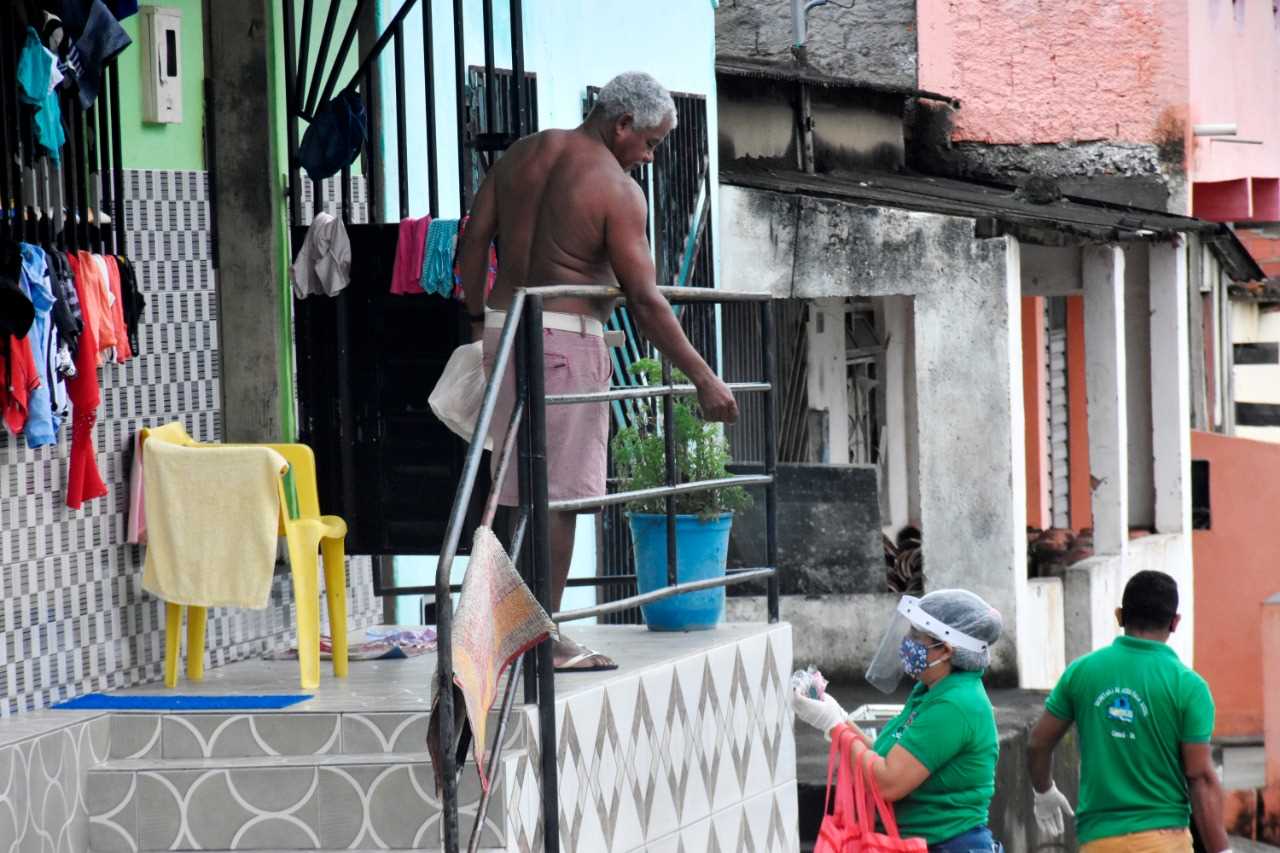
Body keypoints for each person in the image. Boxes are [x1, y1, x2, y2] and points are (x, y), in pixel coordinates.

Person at [457, 71, 738, 672]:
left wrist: (478, 320)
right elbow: (645, 298)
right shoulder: (615, 188)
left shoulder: (521, 155)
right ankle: (542, 642)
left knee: (514, 492)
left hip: (504, 329)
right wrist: (703, 378)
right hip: (564, 342)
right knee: (557, 499)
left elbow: (473, 241)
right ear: (622, 124)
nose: (650, 157)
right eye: (652, 143)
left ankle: (507, 632)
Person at [1027, 570, 1231, 853]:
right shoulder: (1189, 686)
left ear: (1120, 616)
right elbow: (1199, 776)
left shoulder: (1082, 672)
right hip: (1165, 840)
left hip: (1099, 841)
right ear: (1175, 622)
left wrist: (1044, 790)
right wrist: (1221, 850)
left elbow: (1038, 742)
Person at [793, 589, 1006, 852]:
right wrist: (839, 718)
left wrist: (835, 727)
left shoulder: (955, 704)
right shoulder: (930, 690)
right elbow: (881, 756)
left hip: (948, 845)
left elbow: (887, 782)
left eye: (917, 636)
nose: (907, 641)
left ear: (946, 650)